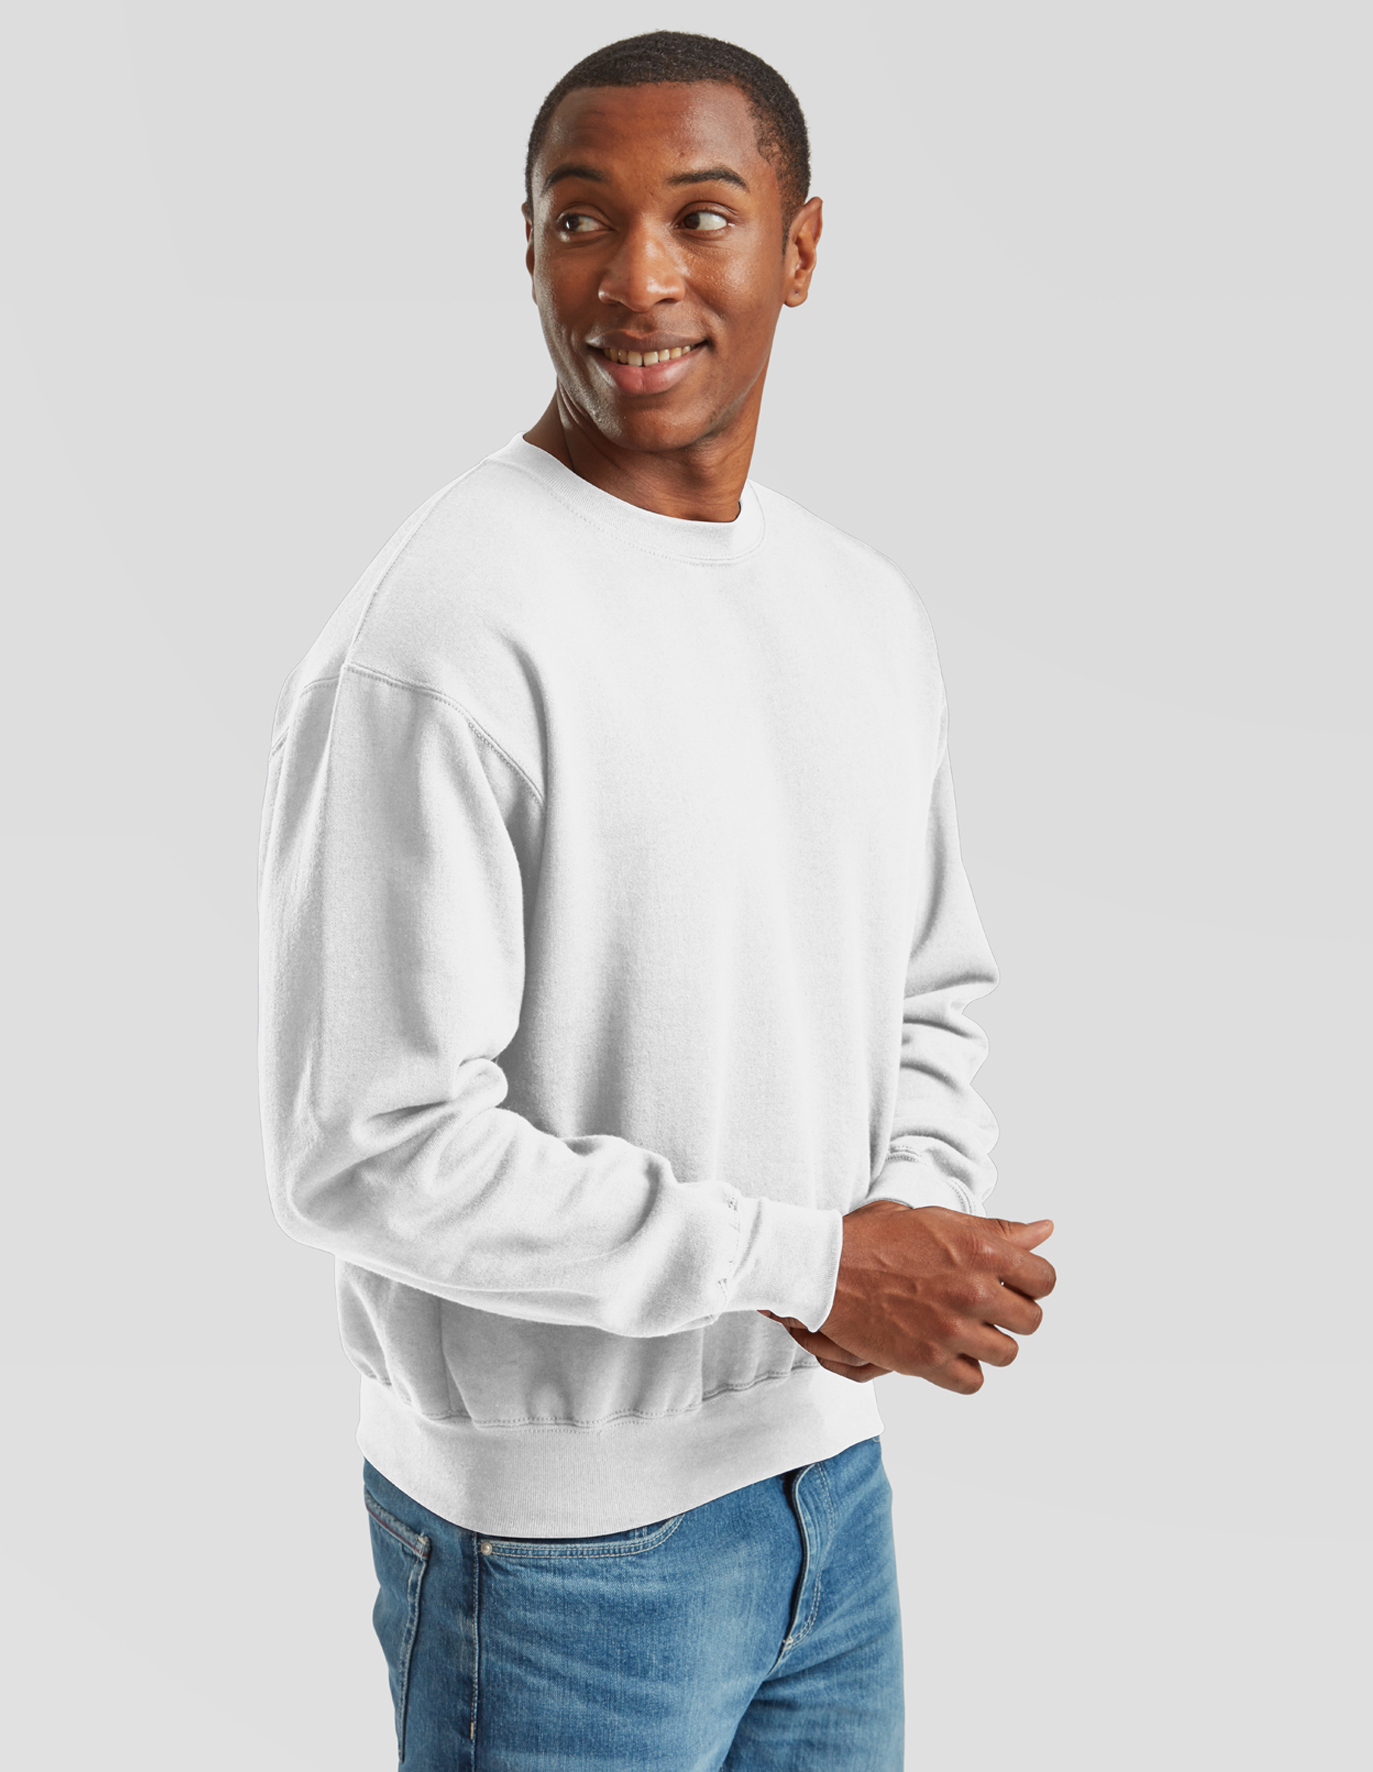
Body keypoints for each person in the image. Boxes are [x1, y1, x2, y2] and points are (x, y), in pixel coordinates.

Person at [257, 29, 1056, 1770]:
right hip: (549, 1562)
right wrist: (811, 1267)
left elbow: (928, 989)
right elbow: (366, 1146)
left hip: (830, 1500)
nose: (636, 280)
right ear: (526, 244)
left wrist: (908, 1230)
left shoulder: (860, 607)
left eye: (701, 216)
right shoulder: (439, 636)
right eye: (580, 220)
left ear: (801, 246)